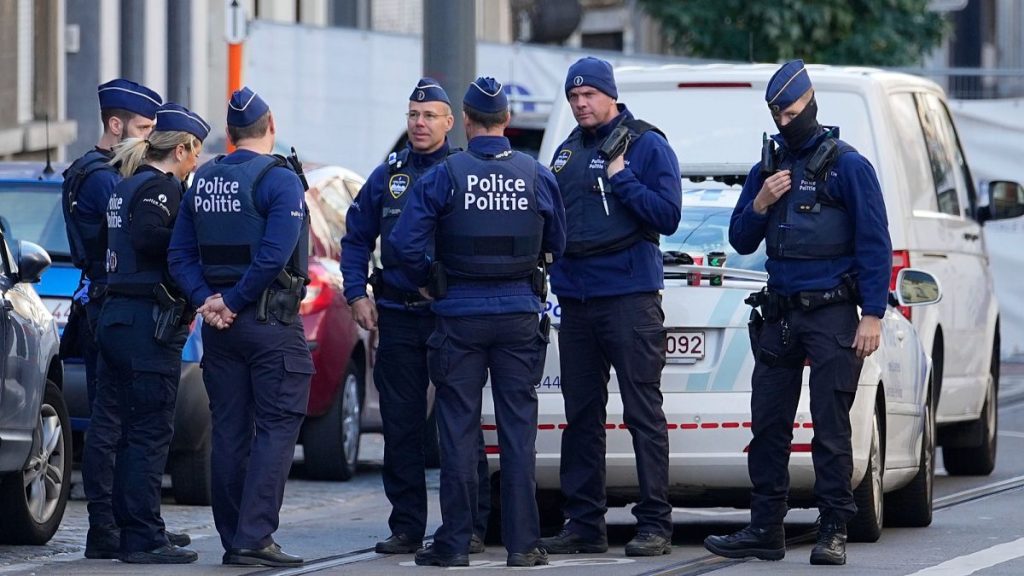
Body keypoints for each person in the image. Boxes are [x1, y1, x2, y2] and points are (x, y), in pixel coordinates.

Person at [703, 59, 892, 566]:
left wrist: (871, 314)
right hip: (780, 314)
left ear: (810, 104)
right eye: (777, 115)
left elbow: (875, 244)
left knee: (831, 428)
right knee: (767, 427)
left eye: (791, 112)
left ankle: (833, 528)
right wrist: (761, 201)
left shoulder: (848, 166)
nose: (785, 123)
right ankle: (766, 527)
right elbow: (740, 238)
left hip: (832, 314)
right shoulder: (768, 168)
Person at [389, 77, 565, 568]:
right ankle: (524, 545)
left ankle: (455, 543)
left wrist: (429, 280)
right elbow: (560, 242)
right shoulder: (535, 174)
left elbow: (402, 244)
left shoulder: (446, 175)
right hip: (517, 317)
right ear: (506, 121)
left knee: (460, 432)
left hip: (458, 317)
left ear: (464, 121)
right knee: (517, 433)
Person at [340, 78, 490, 555]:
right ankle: (406, 525)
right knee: (400, 426)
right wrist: (355, 294)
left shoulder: (466, 170)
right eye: (413, 115)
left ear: (451, 122)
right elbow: (355, 236)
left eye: (429, 116)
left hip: (450, 316)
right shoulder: (390, 173)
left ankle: (469, 525)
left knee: (459, 426)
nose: (419, 123)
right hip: (398, 314)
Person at [538, 56, 681, 557]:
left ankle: (655, 524)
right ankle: (584, 523)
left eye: (589, 96)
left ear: (610, 95)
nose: (580, 104)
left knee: (643, 413)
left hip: (628, 298)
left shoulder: (645, 144)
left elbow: (667, 215)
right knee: (581, 416)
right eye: (573, 98)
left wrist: (623, 179)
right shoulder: (565, 152)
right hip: (576, 300)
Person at [168, 87, 312, 568]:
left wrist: (206, 301)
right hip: (269, 322)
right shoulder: (280, 180)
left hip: (219, 326)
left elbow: (180, 254)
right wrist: (230, 300)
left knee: (229, 430)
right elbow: (275, 255)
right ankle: (255, 536)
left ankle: (234, 537)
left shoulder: (203, 177)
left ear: (228, 134)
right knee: (276, 427)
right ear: (270, 123)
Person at [65, 78, 191, 560]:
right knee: (121, 424)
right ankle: (117, 524)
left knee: (115, 421)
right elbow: (138, 241)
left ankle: (122, 520)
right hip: (121, 303)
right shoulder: (107, 177)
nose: (149, 137)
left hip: (108, 304)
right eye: (142, 127)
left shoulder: (101, 172)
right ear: (115, 125)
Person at [99, 103, 209, 563]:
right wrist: (193, 240)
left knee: (129, 431)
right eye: (195, 154)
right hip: (146, 323)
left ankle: (136, 526)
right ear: (181, 149)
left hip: (118, 318)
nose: (196, 164)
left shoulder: (125, 185)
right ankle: (143, 536)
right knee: (148, 432)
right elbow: (148, 237)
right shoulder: (162, 189)